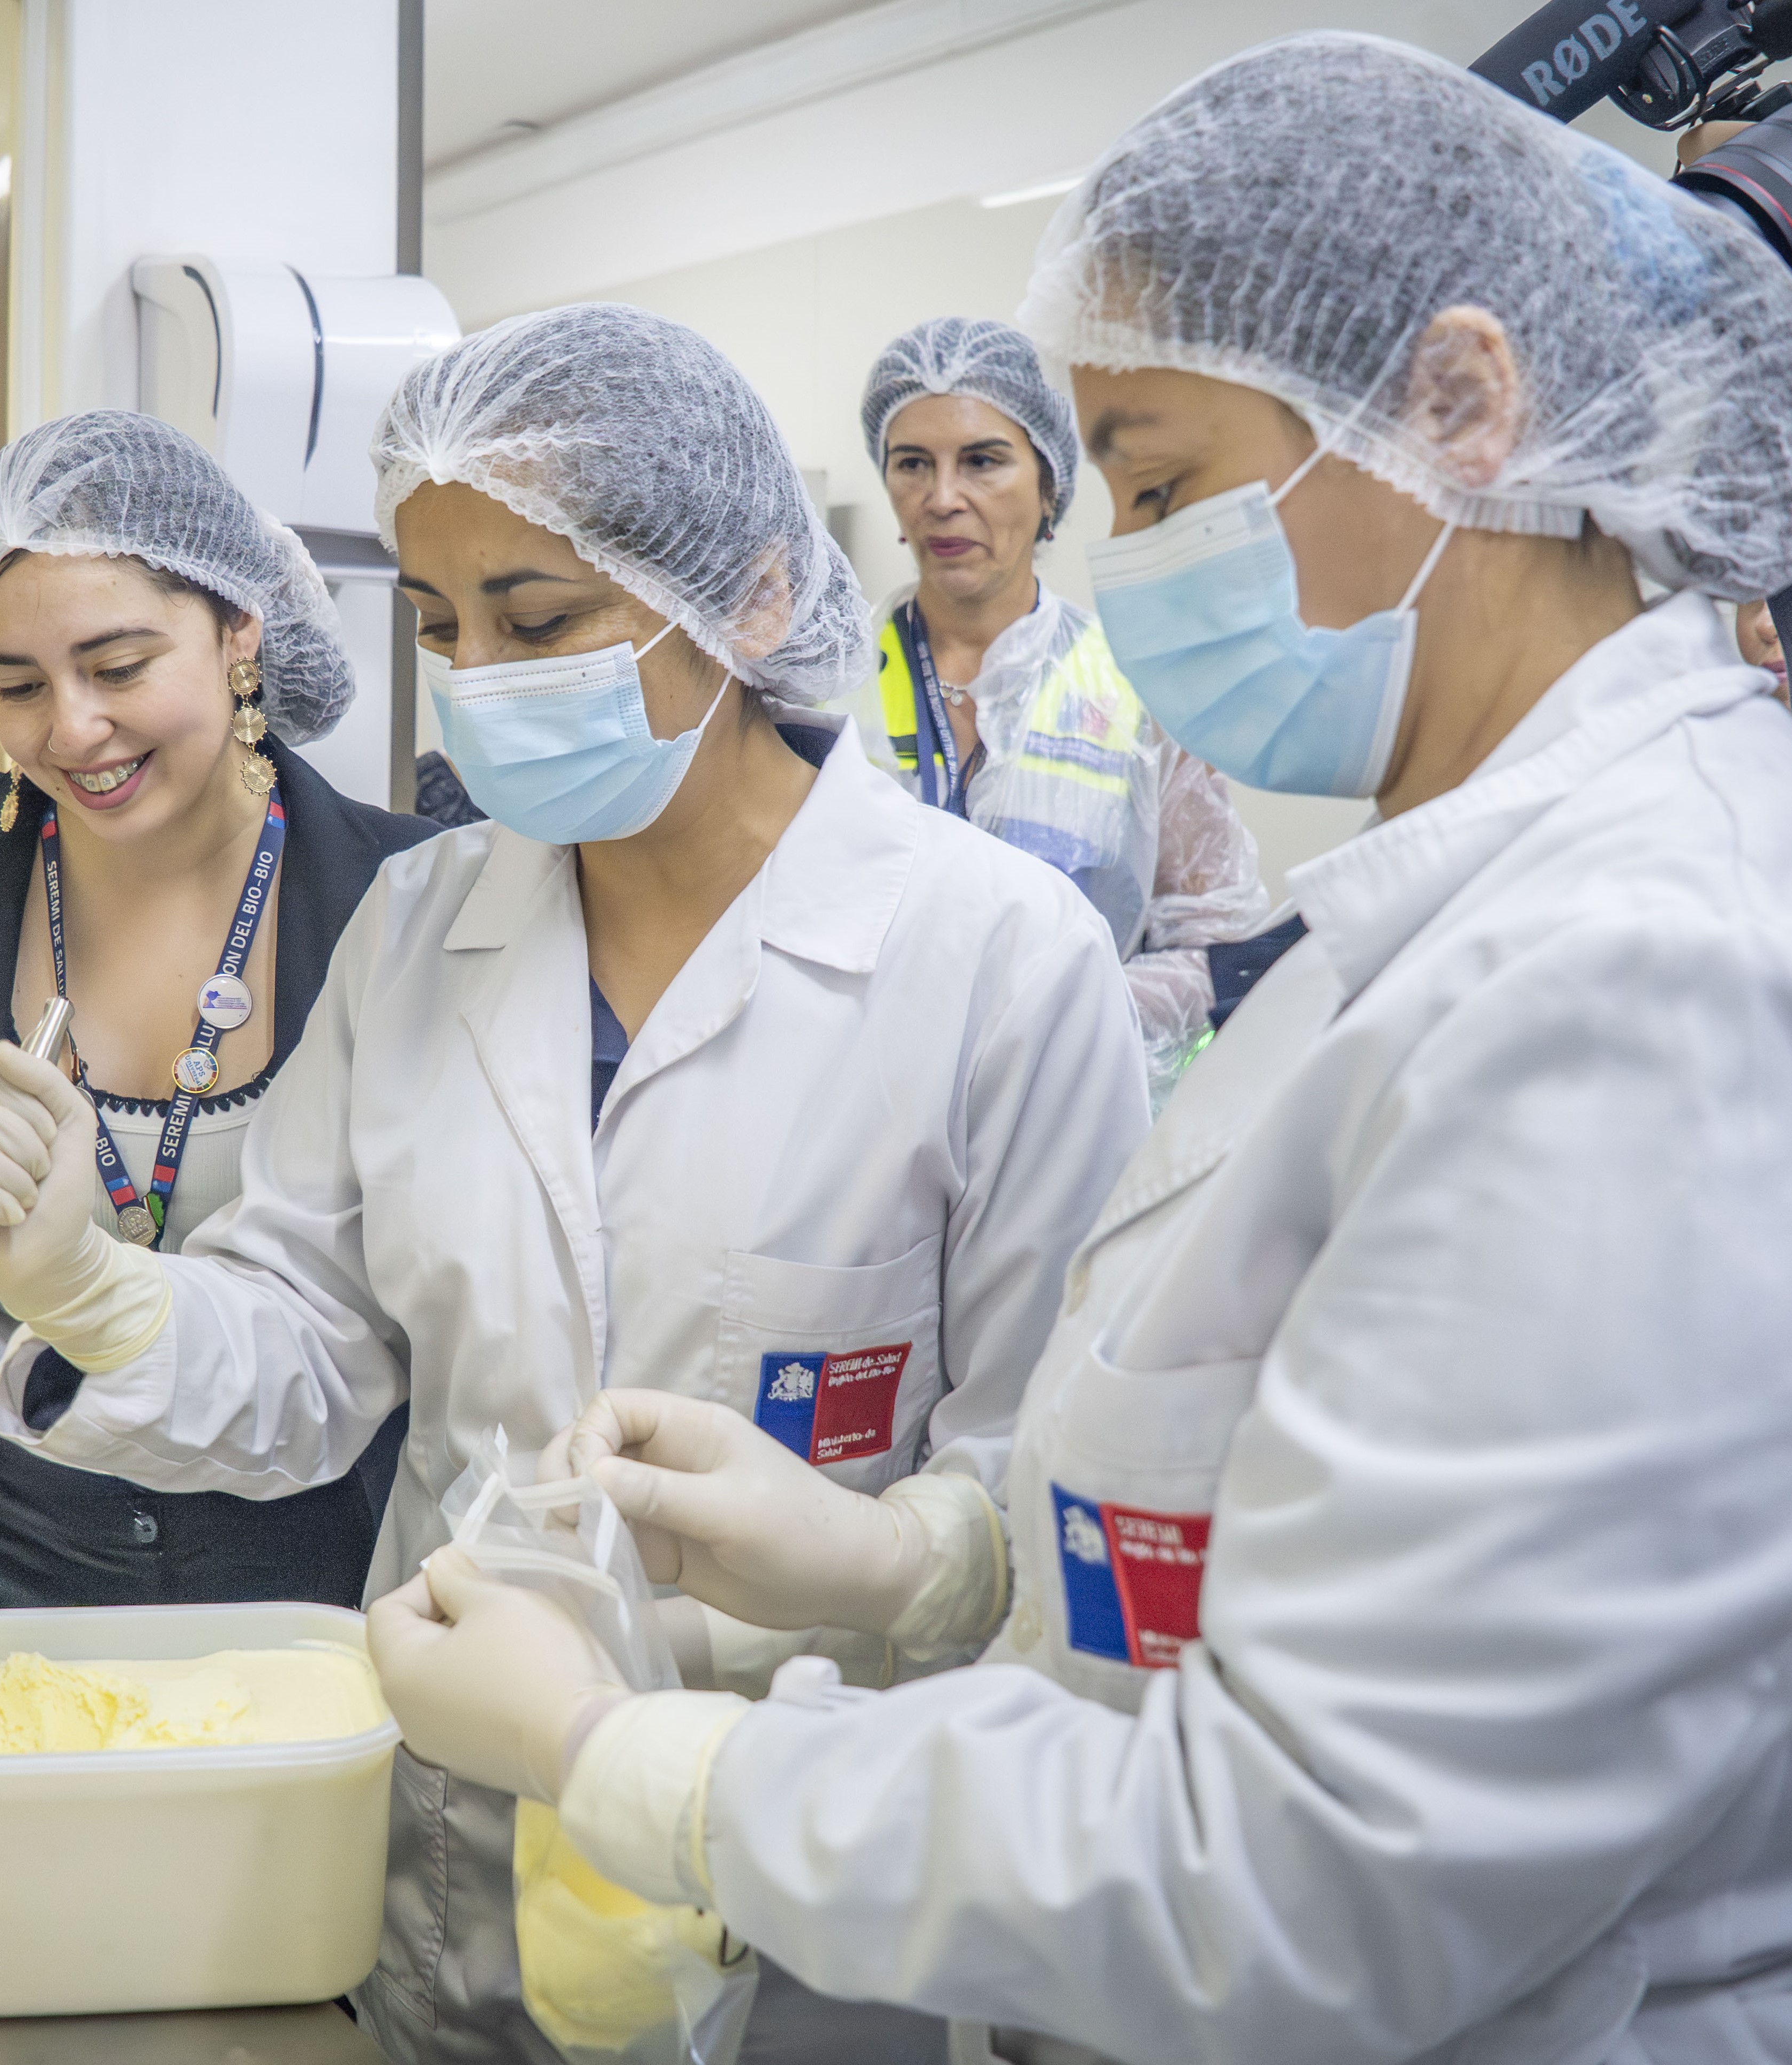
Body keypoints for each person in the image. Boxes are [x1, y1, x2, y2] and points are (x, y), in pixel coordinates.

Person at [365, 34, 1792, 2065]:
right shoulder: (1434, 920)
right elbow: (1257, 1531)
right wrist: (918, 1560)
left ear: (1463, 408)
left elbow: (1314, 1878)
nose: (1117, 561)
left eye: (1161, 483)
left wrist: (631, 1759)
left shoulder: (1637, 977)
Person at [0, 306, 1148, 2061]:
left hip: (811, 1879)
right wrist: (88, 1286)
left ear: (752, 597)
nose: (479, 678)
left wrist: (894, 1553)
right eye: (439, 625)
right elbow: (310, 1350)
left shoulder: (999, 962)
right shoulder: (424, 924)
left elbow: (1056, 1500)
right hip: (457, 1868)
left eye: (539, 620)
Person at [0, 411, 432, 1610]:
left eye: (118, 668)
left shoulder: (404, 894)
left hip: (315, 1558)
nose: (70, 729)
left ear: (239, 632)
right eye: (17, 685)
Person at [861, 318, 1267, 1100]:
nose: (942, 498)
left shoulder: (1137, 686)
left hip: (1074, 1110)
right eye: (912, 463)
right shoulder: (830, 683)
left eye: (982, 461)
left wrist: (1048, 1012)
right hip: (864, 1115)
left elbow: (1214, 939)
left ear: (1049, 485)